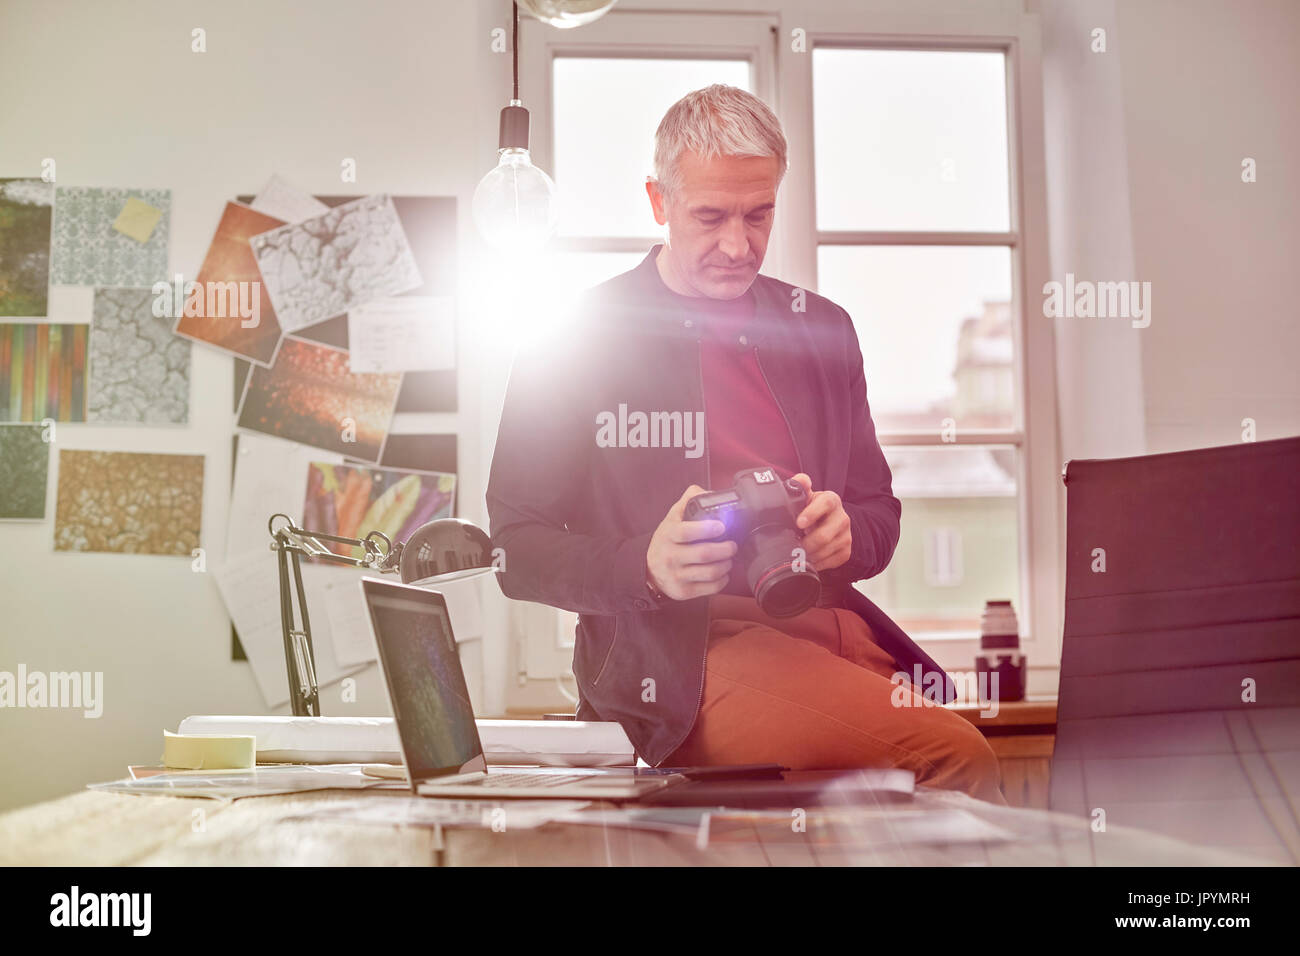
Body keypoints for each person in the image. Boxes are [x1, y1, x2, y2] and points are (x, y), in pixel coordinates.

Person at [487, 84, 1005, 803]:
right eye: (710, 216)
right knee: (954, 761)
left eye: (759, 214)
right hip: (686, 657)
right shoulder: (577, 338)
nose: (739, 246)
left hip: (830, 630)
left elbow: (879, 515)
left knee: (894, 795)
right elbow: (516, 549)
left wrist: (844, 534)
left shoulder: (821, 330)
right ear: (658, 202)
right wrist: (647, 565)